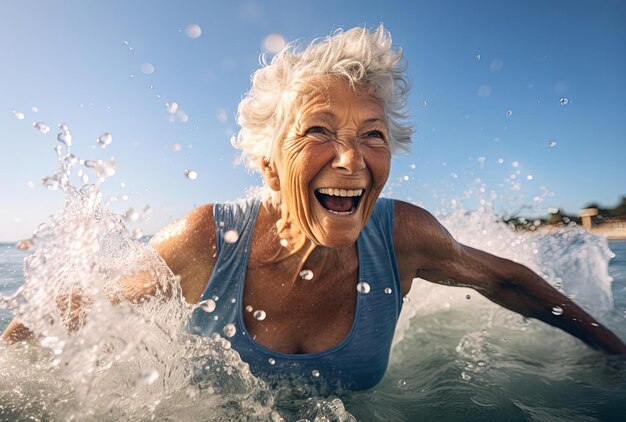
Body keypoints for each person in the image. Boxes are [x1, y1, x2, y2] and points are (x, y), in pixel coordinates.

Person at [3, 25, 625, 391]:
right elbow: (76, 309)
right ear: (269, 164)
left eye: (373, 135)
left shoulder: (402, 235)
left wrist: (612, 354)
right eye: (319, 131)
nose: (352, 159)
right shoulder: (206, 240)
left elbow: (505, 280)